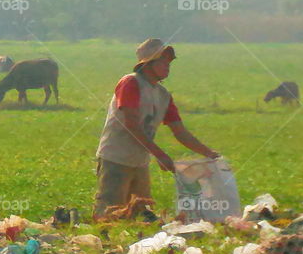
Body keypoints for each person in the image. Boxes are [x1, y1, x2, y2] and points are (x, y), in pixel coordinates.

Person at [94, 38, 219, 219]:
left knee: (141, 213)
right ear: (147, 64)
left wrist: (209, 153)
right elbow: (131, 125)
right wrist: (159, 154)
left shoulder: (163, 95)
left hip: (139, 162)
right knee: (109, 212)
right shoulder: (130, 83)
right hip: (116, 158)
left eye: (169, 61)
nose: (167, 66)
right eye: (162, 61)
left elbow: (180, 132)